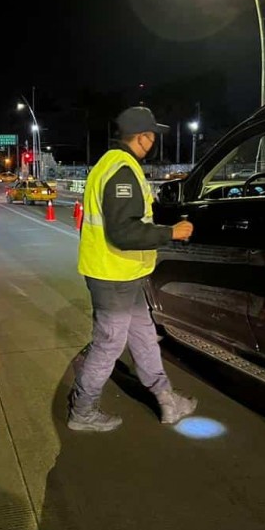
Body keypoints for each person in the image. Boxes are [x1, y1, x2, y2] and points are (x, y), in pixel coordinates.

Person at [67, 106, 197, 432]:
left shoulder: (113, 164)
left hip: (127, 274)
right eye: (152, 135)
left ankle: (167, 399)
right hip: (112, 276)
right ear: (143, 137)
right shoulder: (121, 169)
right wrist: (172, 232)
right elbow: (123, 232)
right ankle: (82, 410)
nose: (153, 142)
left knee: (143, 336)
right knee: (109, 343)